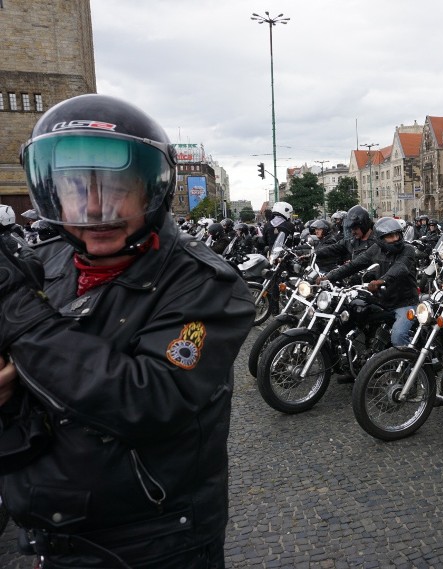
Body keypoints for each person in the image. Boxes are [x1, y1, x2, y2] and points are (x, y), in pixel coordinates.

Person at [0, 94, 255, 567]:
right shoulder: (47, 261)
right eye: (76, 187)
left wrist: (21, 318)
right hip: (51, 532)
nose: (94, 207)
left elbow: (150, 398)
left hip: (152, 542)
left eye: (115, 189)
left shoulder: (204, 284)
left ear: (149, 191)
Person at [319, 216, 417, 348]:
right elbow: (354, 265)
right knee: (352, 315)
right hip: (381, 301)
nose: (394, 239)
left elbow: (400, 267)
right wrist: (329, 277)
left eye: (397, 235)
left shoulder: (408, 249)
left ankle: (412, 363)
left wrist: (381, 281)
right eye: (390, 236)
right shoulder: (376, 249)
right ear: (380, 239)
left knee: (398, 337)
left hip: (404, 303)